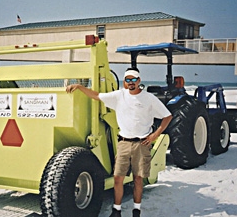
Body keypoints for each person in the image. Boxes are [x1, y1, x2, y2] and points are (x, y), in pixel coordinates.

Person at [66, 68, 172, 217]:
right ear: (124, 82)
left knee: (138, 179)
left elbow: (167, 116)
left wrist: (154, 135)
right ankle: (116, 211)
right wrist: (79, 87)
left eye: (134, 79)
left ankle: (136, 210)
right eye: (128, 80)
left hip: (142, 144)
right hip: (123, 143)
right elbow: (96, 96)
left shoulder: (149, 98)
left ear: (139, 81)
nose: (131, 83)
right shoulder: (119, 96)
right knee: (118, 178)